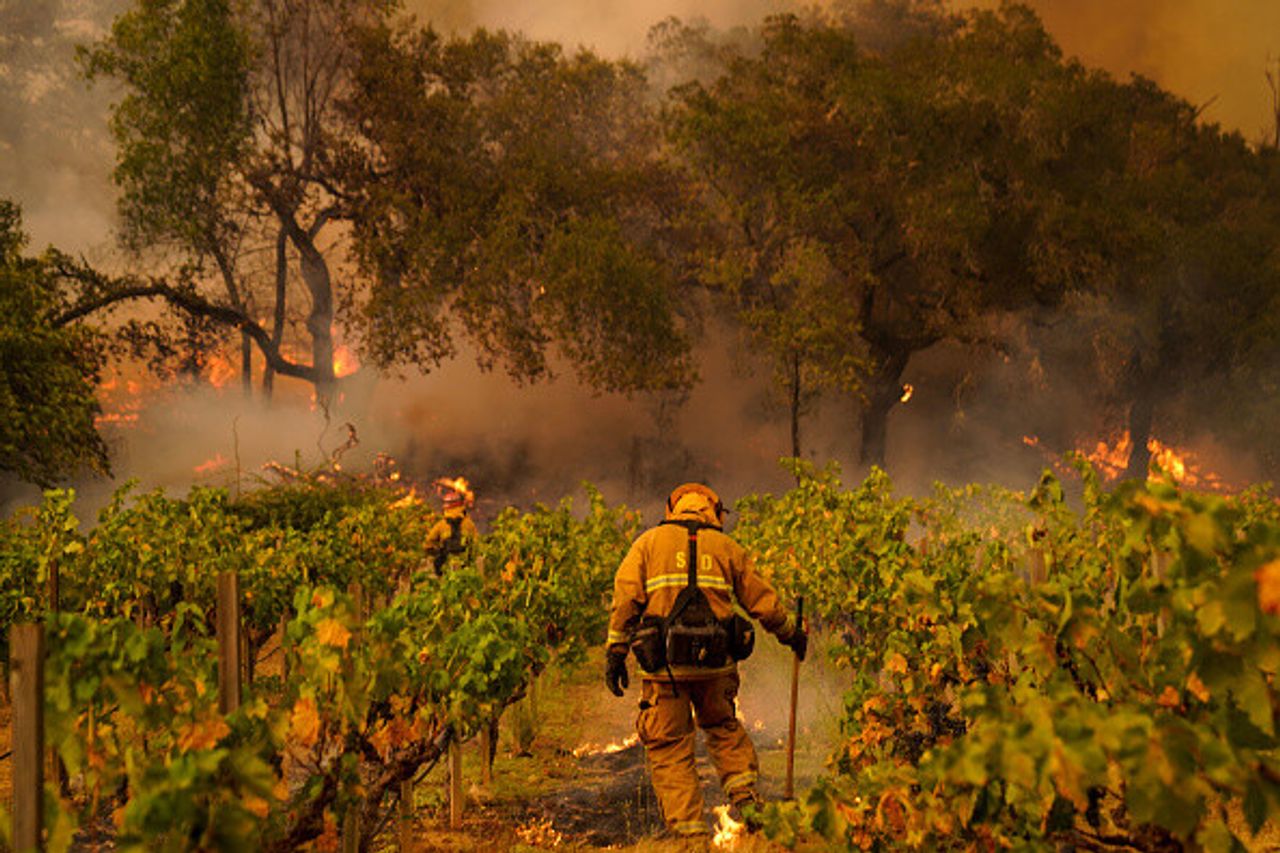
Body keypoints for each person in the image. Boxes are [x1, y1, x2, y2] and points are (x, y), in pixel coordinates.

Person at [605, 482, 807, 844]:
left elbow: (625, 600)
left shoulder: (648, 544)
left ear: (673, 508)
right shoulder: (727, 547)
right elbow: (761, 601)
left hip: (665, 670)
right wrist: (791, 633)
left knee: (669, 745)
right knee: (723, 727)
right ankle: (745, 797)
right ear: (714, 510)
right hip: (717, 667)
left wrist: (615, 653)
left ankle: (690, 834)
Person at [424, 476, 479, 574]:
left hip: (446, 564)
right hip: (465, 565)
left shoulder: (441, 525)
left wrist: (437, 551)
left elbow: (428, 543)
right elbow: (476, 543)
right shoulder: (469, 523)